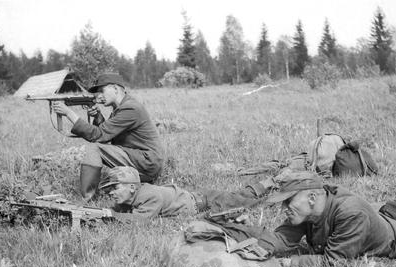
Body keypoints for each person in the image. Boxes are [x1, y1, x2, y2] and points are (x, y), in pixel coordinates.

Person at [252, 172, 396, 267]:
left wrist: (288, 263)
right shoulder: (307, 210)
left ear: (313, 197)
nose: (284, 209)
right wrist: (258, 249)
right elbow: (282, 236)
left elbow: (333, 262)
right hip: (380, 213)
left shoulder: (350, 213)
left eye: (288, 202)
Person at [52, 73, 164, 201]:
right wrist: (98, 116)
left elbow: (98, 136)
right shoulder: (122, 107)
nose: (98, 96)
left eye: (102, 91)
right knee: (106, 183)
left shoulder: (130, 108)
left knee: (95, 148)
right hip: (142, 159)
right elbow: (108, 135)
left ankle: (86, 198)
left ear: (115, 89)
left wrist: (68, 113)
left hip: (147, 162)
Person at [98, 166, 271, 221]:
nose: (110, 193)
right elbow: (121, 209)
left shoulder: (149, 196)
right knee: (237, 196)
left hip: (204, 202)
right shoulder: (131, 195)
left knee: (245, 204)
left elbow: (140, 220)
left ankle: (272, 190)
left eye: (114, 188)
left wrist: (112, 215)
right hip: (196, 196)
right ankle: (264, 185)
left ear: (132, 188)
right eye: (108, 190)